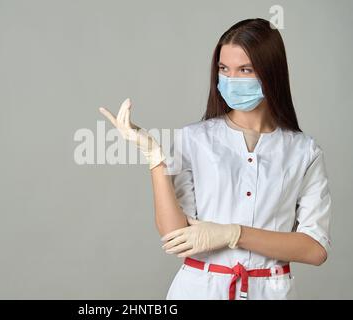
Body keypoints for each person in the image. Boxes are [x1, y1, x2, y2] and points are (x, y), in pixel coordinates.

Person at [99, 18, 332, 300]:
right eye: (224, 69)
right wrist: (156, 159)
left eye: (245, 70)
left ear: (271, 73)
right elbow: (175, 236)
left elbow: (314, 249)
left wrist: (233, 233)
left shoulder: (303, 151)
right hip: (199, 290)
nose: (231, 80)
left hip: (272, 292)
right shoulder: (194, 139)